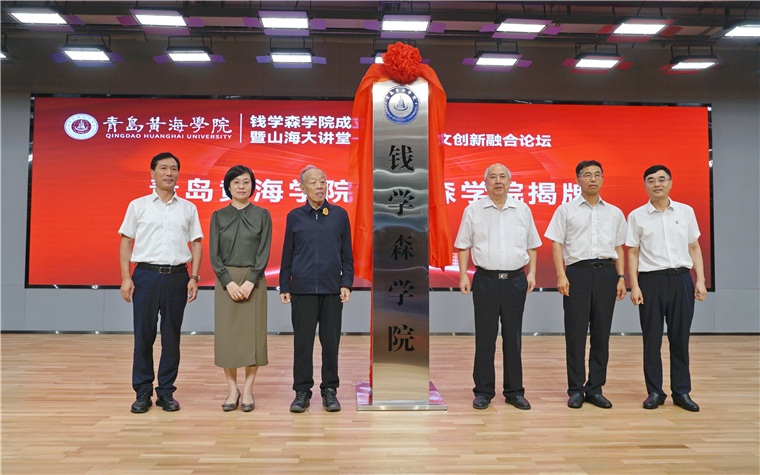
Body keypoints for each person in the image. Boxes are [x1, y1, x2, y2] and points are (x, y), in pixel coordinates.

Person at [119, 152, 203, 413]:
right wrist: (126, 278)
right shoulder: (138, 205)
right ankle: (142, 391)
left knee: (171, 337)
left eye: (174, 168)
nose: (169, 173)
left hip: (178, 277)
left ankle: (166, 391)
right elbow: (126, 241)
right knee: (143, 336)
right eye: (164, 168)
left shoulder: (188, 208)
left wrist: (194, 277)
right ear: (153, 173)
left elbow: (196, 243)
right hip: (145, 276)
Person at [454, 164, 541, 411]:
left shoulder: (522, 209)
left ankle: (514, 392)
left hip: (515, 280)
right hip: (486, 281)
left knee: (513, 338)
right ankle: (483, 391)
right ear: (485, 182)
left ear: (510, 181)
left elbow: (532, 245)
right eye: (493, 177)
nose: (498, 181)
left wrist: (532, 273)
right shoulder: (473, 210)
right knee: (485, 338)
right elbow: (463, 245)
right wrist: (463, 275)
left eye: (503, 176)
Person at [544, 160, 627, 409]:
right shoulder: (566, 210)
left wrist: (621, 277)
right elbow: (556, 243)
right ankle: (576, 389)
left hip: (607, 274)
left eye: (597, 174)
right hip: (577, 274)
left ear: (602, 179)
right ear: (578, 180)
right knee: (575, 333)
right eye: (587, 175)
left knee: (602, 334)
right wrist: (561, 275)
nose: (593, 179)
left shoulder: (614, 212)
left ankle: (595, 388)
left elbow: (619, 247)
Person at [626, 165, 706, 412]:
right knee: (651, 339)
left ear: (670, 183)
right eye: (651, 180)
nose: (657, 184)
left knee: (680, 338)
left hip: (682, 279)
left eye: (662, 179)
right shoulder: (636, 216)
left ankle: (681, 392)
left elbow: (694, 247)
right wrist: (634, 286)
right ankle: (655, 392)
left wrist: (700, 280)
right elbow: (633, 252)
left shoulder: (685, 211)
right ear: (645, 186)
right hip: (651, 282)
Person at [280, 166, 354, 413]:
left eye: (323, 181)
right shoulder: (295, 216)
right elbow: (287, 253)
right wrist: (285, 284)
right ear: (303, 187)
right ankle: (302, 392)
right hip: (302, 290)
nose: (319, 186)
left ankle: (329, 390)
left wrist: (346, 283)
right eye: (313, 182)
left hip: (332, 289)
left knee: (331, 343)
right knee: (302, 344)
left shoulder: (339, 215)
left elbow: (347, 254)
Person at [209, 165, 272, 412]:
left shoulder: (263, 214)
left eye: (246, 182)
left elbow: (264, 251)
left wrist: (250, 280)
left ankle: (248, 389)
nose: (241, 186)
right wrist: (228, 282)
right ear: (228, 187)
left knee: (253, 337)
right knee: (228, 337)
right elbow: (214, 255)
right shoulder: (218, 216)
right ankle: (232, 389)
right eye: (236, 182)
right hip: (226, 282)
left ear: (252, 186)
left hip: (253, 281)